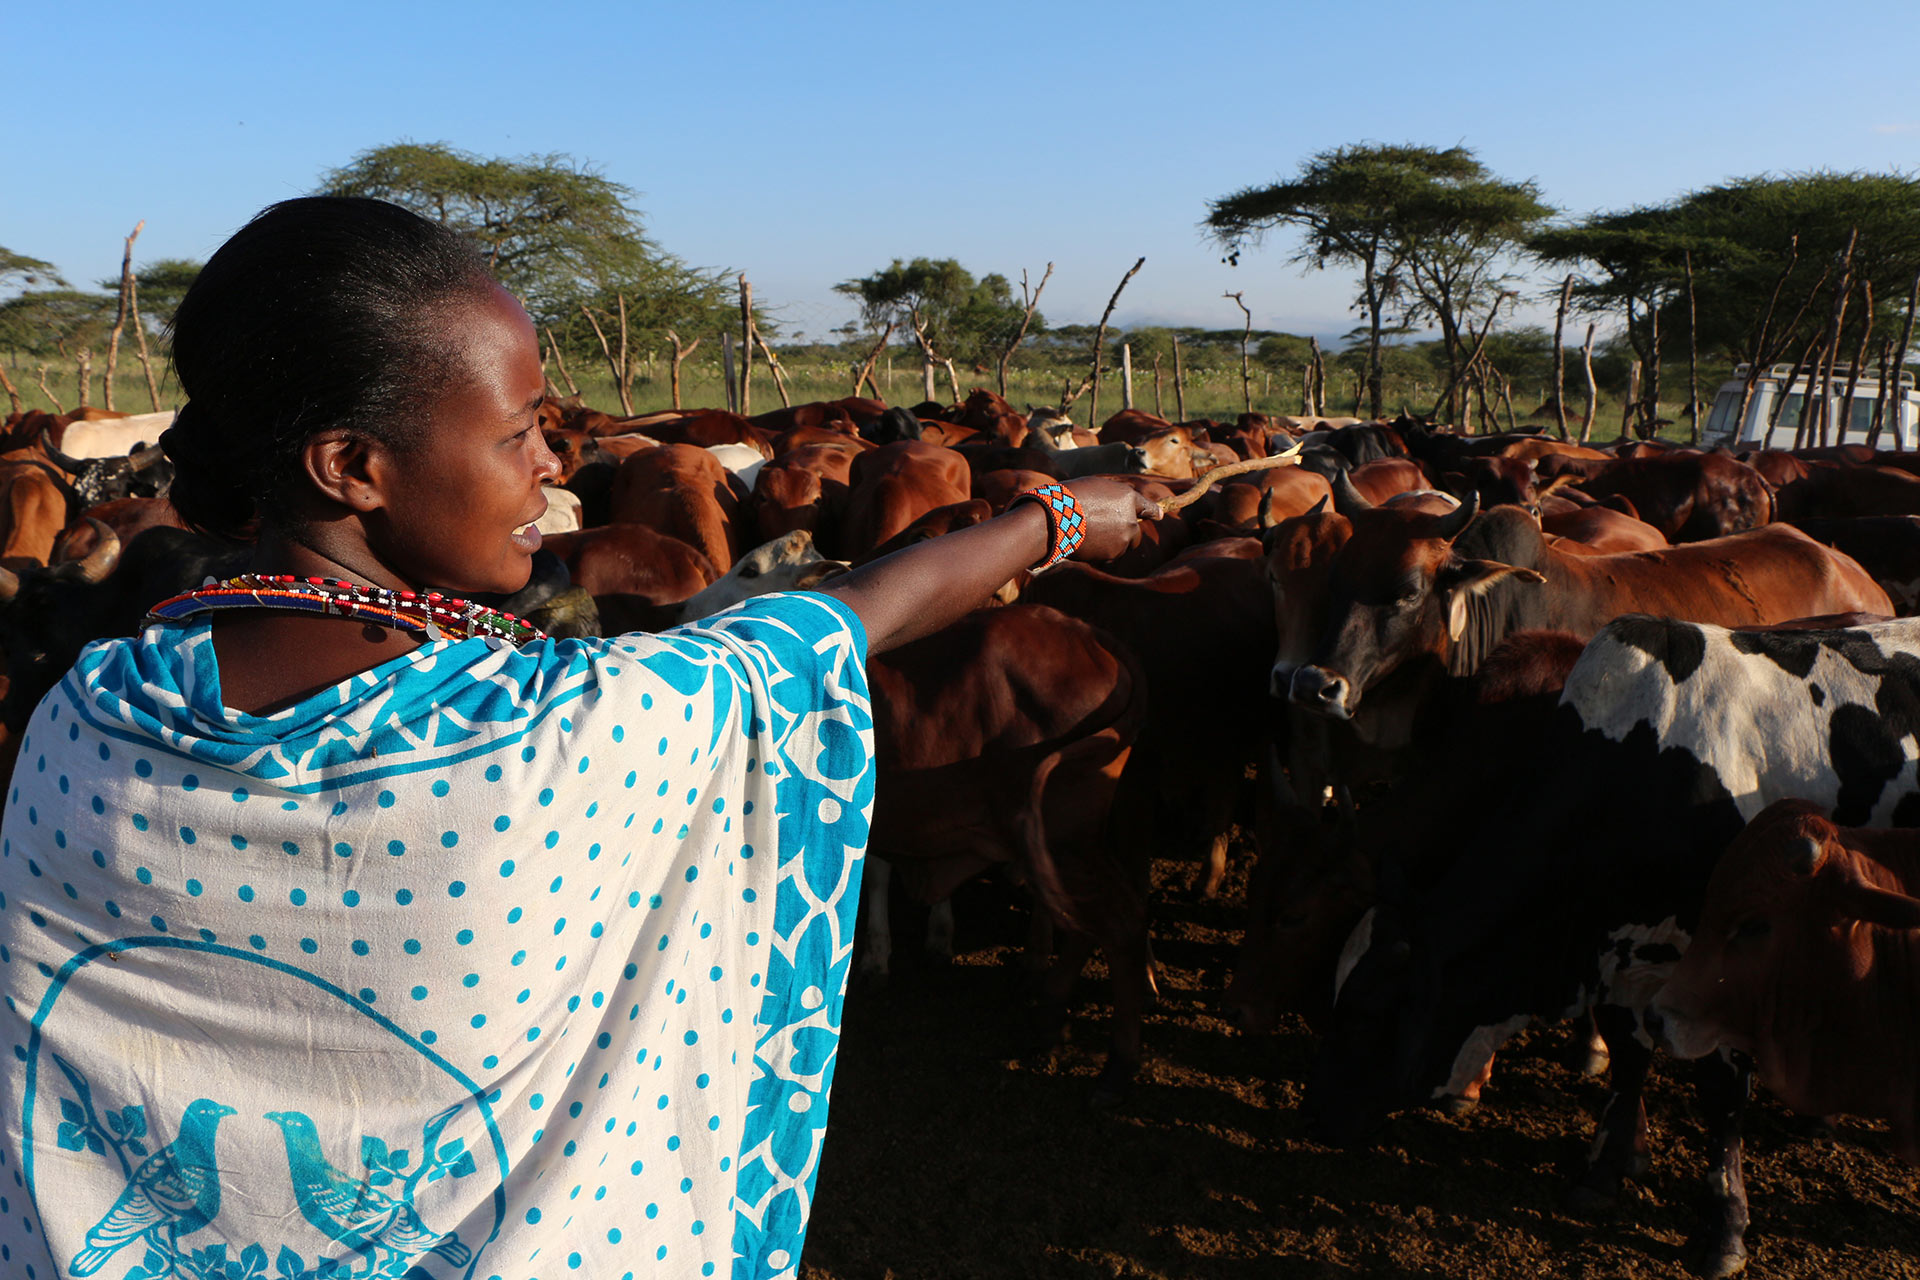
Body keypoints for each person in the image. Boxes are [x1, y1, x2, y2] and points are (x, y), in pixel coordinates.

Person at [0, 196, 1154, 1280]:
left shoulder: (79, 722)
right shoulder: (561, 734)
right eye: (517, 435)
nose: (555, 466)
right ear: (352, 466)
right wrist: (1050, 516)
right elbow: (837, 619)